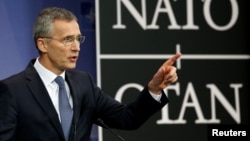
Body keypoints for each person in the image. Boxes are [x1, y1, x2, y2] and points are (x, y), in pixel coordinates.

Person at [0, 7, 181, 141]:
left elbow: (128, 119)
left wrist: (154, 89)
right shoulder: (13, 90)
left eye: (78, 39)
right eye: (67, 40)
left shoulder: (83, 83)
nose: (76, 47)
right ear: (43, 45)